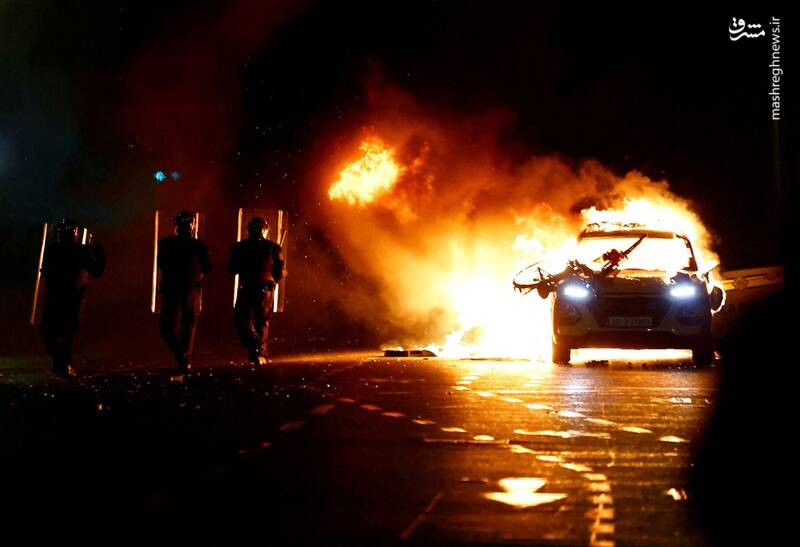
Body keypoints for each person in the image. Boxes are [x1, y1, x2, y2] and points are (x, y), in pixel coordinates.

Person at [41, 218, 105, 377]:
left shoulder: (77, 250)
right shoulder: (56, 249)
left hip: (69, 297)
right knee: (53, 332)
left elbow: (96, 271)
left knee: (63, 333)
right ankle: (61, 364)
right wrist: (98, 254)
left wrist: (98, 254)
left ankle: (63, 365)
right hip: (59, 296)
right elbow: (46, 271)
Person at [157, 211, 212, 372]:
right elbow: (207, 267)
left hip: (173, 289)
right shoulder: (199, 246)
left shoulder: (166, 243)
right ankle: (184, 358)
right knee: (187, 326)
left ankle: (182, 358)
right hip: (189, 289)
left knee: (169, 327)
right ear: (192, 226)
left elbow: (161, 264)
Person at [228, 217, 286, 365]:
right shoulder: (272, 248)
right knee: (258, 321)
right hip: (261, 289)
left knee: (250, 320)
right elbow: (280, 271)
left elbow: (232, 268)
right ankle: (258, 349)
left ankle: (258, 353)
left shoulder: (242, 247)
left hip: (253, 288)